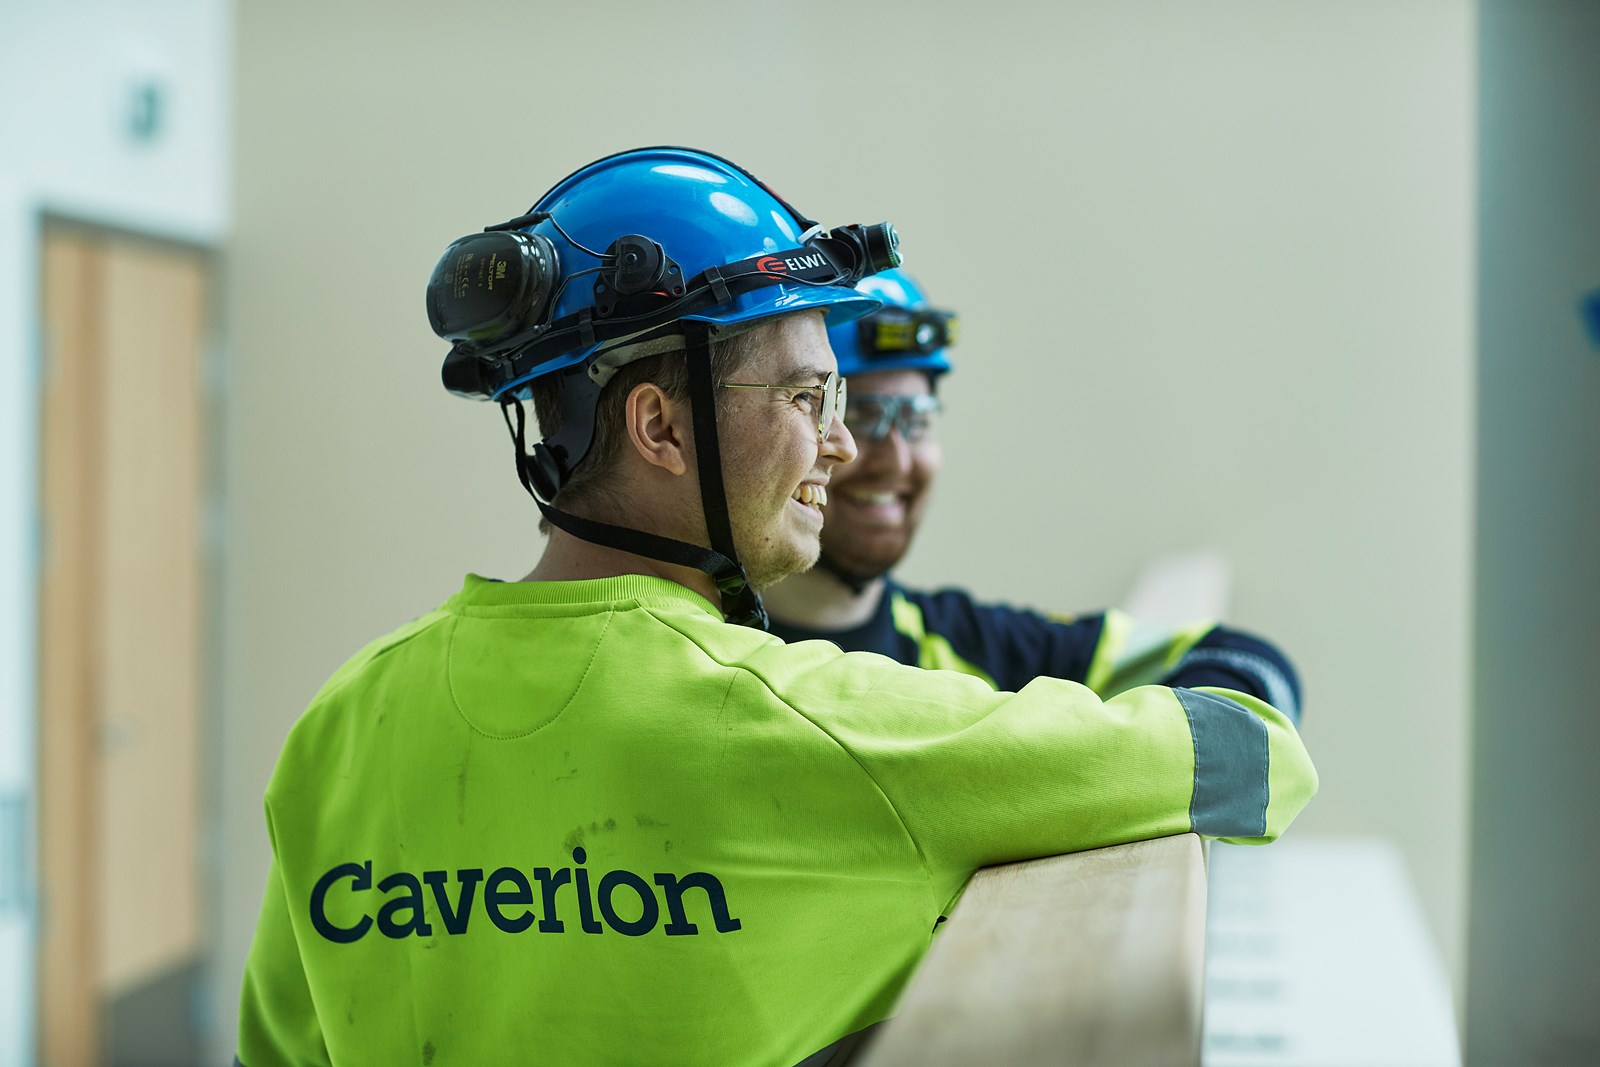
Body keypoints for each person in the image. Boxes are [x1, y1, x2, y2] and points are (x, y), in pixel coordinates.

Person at [234, 147, 1316, 1067]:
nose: (843, 446)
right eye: (808, 398)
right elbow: (1245, 755)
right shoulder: (811, 723)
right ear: (659, 427)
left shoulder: (343, 724)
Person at [763, 269, 1303, 719]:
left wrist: (1129, 752)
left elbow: (1249, 668)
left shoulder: (968, 646)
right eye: (858, 416)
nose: (897, 460)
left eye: (919, 421)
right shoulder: (710, 653)